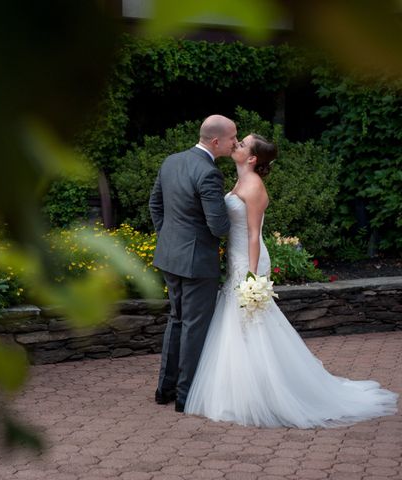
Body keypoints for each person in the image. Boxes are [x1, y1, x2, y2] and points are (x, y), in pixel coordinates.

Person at [183, 133, 399, 427]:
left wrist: (252, 276)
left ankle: (265, 395)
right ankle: (240, 392)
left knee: (252, 325)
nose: (237, 145)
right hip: (237, 258)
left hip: (249, 261)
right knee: (237, 326)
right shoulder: (238, 180)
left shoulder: (255, 186)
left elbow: (252, 234)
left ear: (252, 159)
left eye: (243, 144)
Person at [149, 114, 237, 413]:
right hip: (197, 261)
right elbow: (218, 226)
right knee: (194, 327)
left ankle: (165, 389)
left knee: (176, 319)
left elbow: (155, 204)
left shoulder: (171, 161)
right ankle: (186, 396)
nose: (235, 143)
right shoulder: (209, 173)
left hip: (170, 257)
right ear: (216, 141)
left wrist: (169, 237)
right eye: (232, 138)